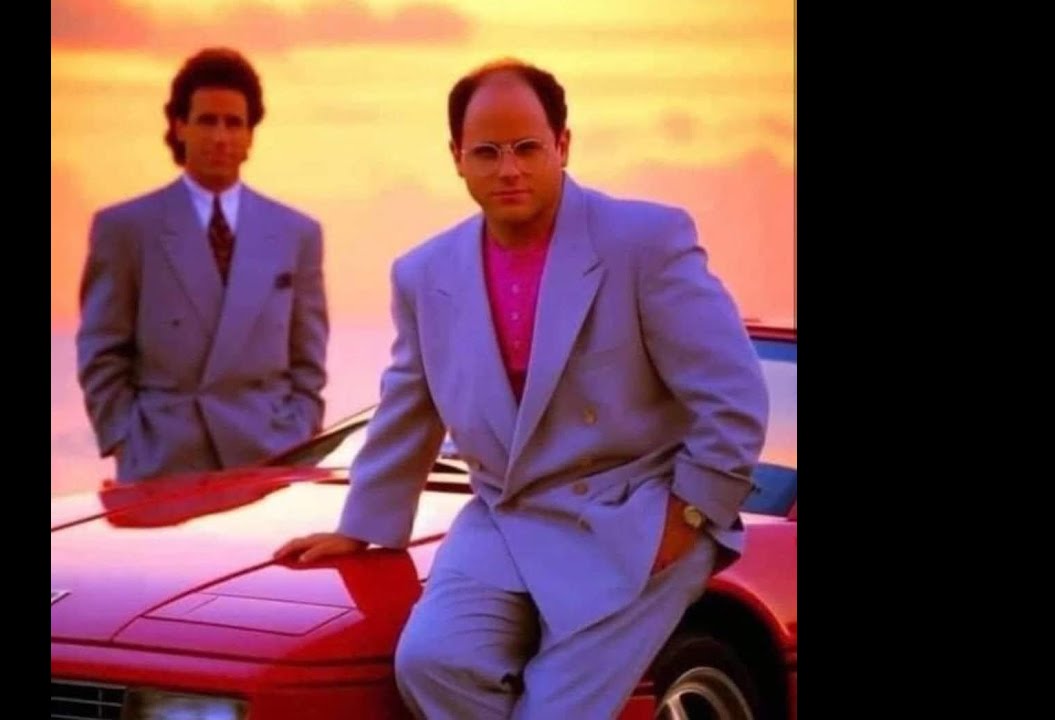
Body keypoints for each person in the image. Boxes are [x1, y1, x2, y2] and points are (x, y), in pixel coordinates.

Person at [274, 57, 768, 719]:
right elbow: (408, 405)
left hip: (631, 514)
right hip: (506, 516)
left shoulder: (645, 242)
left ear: (562, 145)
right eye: (487, 152)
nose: (508, 169)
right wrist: (361, 525)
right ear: (457, 158)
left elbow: (733, 394)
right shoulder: (424, 273)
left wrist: (688, 518)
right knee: (432, 663)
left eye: (527, 148)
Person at [76, 47, 329, 483]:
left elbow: (308, 358)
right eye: (207, 121)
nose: (220, 137)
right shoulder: (126, 228)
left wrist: (300, 431)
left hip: (269, 460)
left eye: (234, 123)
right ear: (180, 126)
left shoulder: (296, 233)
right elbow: (102, 350)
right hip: (162, 461)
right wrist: (124, 438)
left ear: (250, 135)